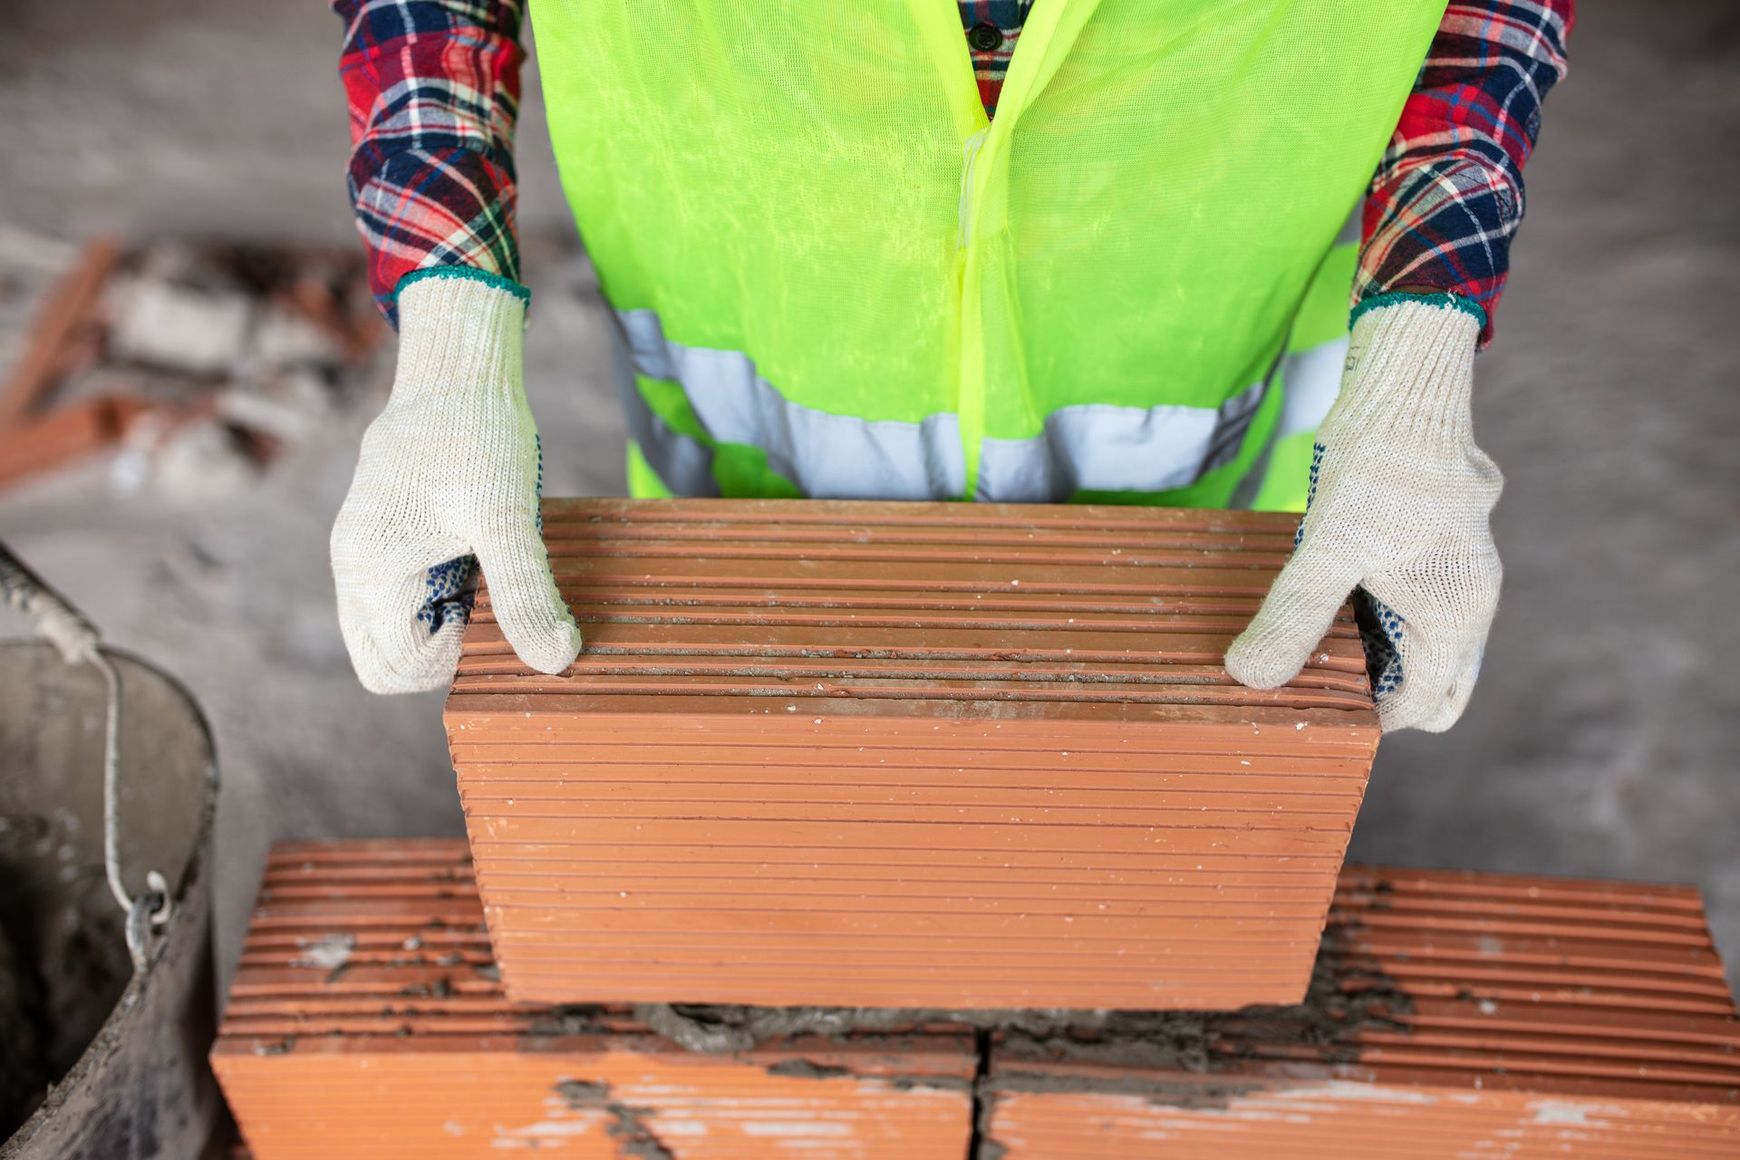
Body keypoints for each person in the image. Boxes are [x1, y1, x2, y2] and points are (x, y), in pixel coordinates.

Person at [328, 1, 1571, 732]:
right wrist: (449, 329)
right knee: (767, 823)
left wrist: (1418, 349)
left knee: (1150, 836)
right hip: (751, 320)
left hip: (1200, 352)